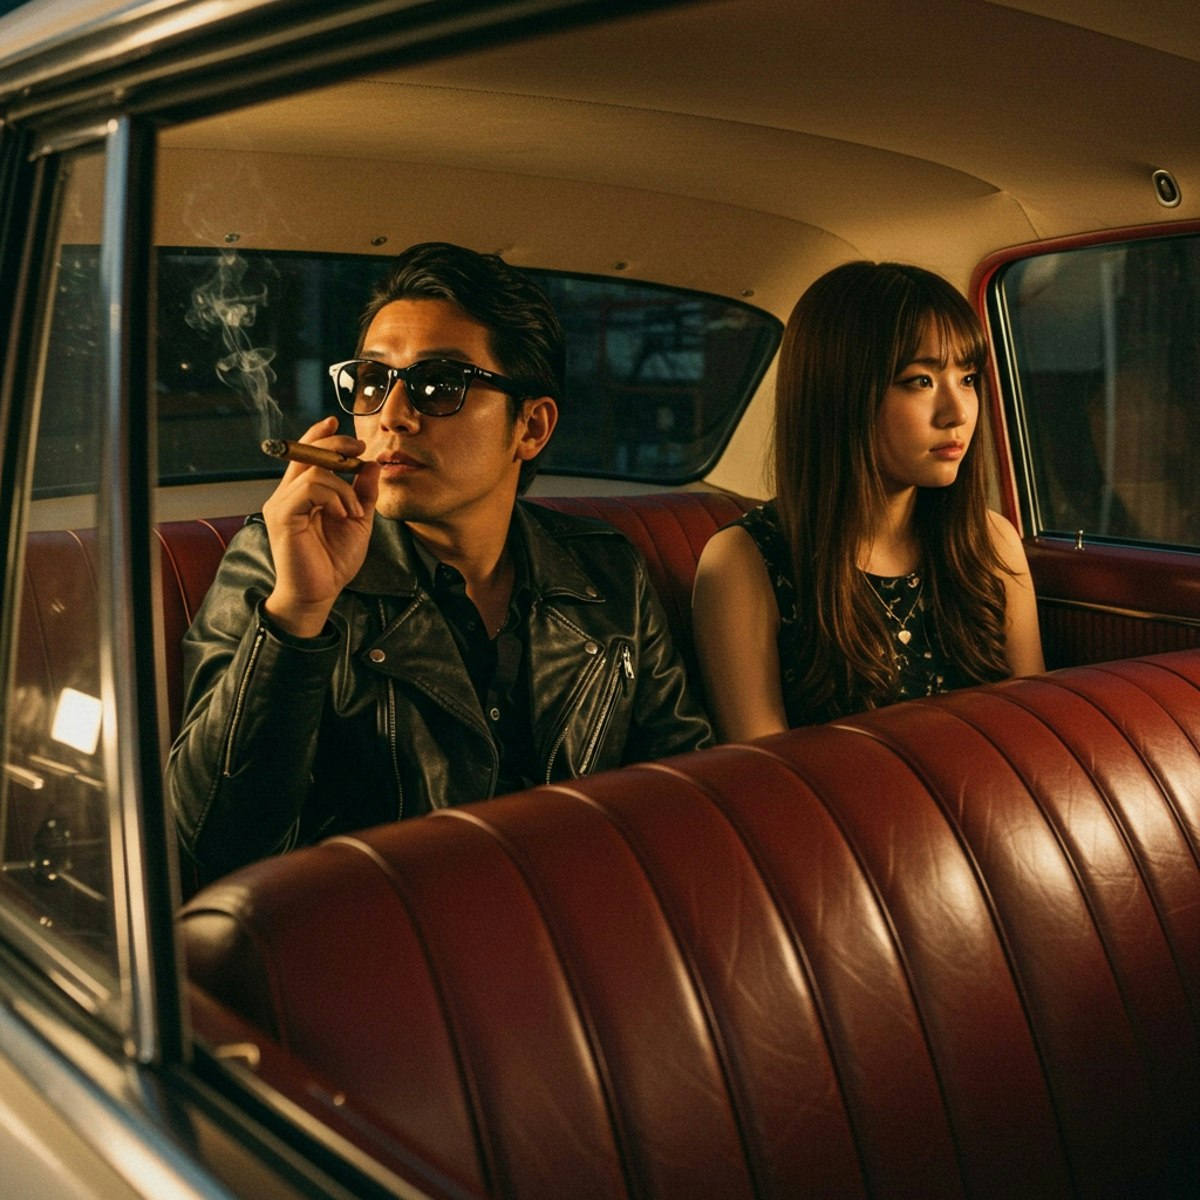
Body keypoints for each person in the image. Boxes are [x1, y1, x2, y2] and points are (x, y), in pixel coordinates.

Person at [169, 241, 711, 884]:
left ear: (531, 428)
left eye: (439, 385)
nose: (392, 417)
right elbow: (211, 846)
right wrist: (299, 613)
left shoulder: (606, 574)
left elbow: (687, 794)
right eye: (373, 382)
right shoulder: (280, 560)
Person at [692, 260, 1044, 742]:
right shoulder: (744, 562)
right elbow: (762, 771)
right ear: (842, 393)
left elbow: (1029, 737)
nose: (958, 412)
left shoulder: (992, 541)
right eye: (921, 380)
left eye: (967, 378)